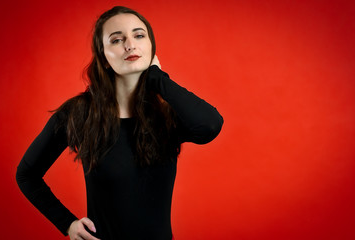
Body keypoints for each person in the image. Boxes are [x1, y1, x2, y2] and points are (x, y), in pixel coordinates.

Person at [16, 5, 223, 240]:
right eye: (116, 40)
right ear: (103, 58)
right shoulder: (78, 113)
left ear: (151, 49)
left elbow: (211, 125)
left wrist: (157, 78)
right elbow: (26, 174)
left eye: (139, 35)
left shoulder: (167, 115)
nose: (130, 44)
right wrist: (67, 224)